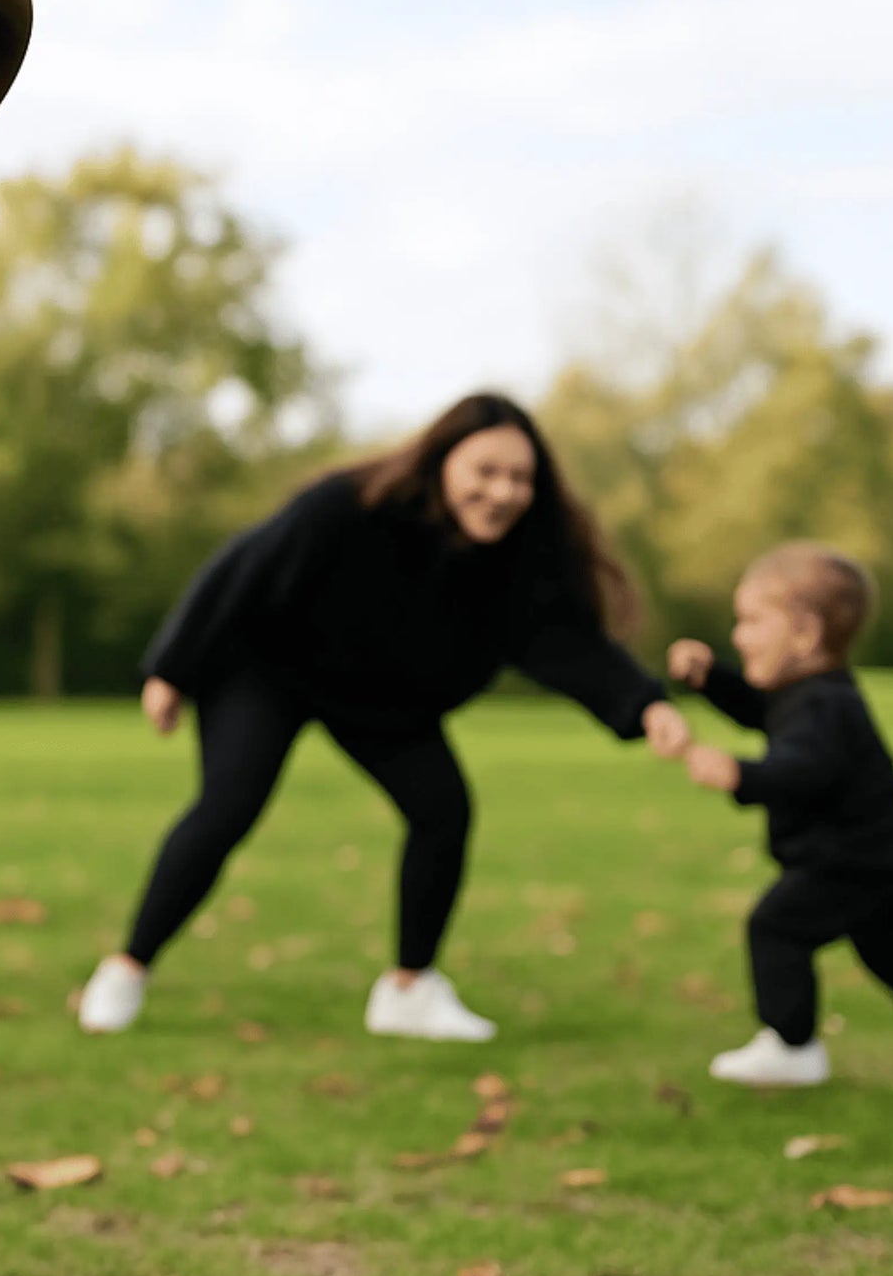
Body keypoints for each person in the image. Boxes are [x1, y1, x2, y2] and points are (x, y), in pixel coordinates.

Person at [77, 392, 691, 1039]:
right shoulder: (351, 505)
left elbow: (567, 643)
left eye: (519, 478)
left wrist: (644, 704)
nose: (503, 492)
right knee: (229, 804)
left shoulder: (517, 562)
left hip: (381, 697)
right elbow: (242, 569)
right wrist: (171, 668)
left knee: (443, 812)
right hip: (268, 665)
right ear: (442, 463)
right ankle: (127, 968)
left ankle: (409, 991)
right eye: (485, 472)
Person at [672, 543, 893, 1105]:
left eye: (752, 621)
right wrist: (711, 681)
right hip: (890, 861)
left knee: (776, 926)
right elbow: (761, 710)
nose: (738, 635)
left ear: (804, 634)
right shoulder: (810, 696)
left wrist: (740, 775)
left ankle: (793, 1045)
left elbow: (804, 770)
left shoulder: (824, 707)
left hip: (856, 863)